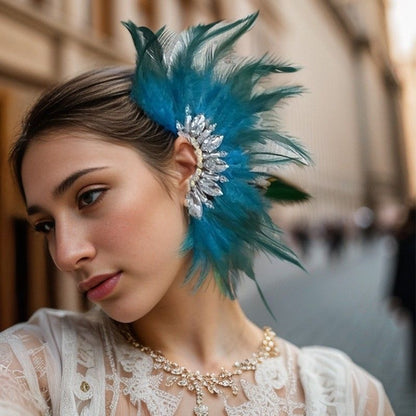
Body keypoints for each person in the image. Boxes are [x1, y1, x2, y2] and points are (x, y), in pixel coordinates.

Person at [0, 13, 394, 415]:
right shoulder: (33, 372)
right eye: (45, 225)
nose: (65, 254)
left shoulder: (345, 396)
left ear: (184, 167)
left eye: (89, 197)